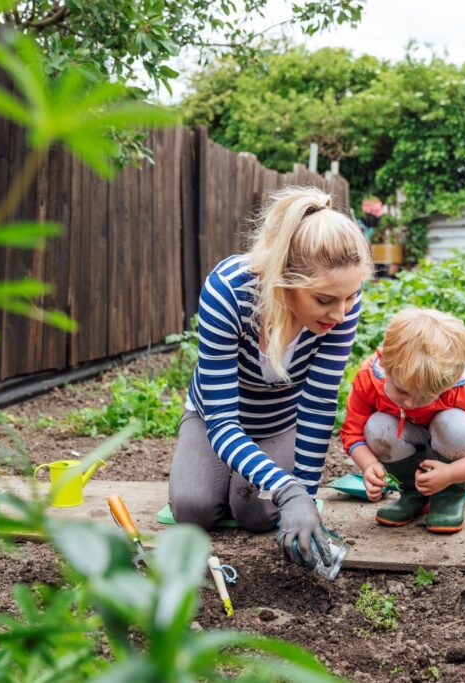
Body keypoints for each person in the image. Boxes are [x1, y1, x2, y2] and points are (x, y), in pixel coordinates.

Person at [169, 186, 372, 569]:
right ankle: (222, 471)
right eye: (325, 300)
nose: (341, 314)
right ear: (284, 280)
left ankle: (247, 479)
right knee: (192, 508)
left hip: (280, 421)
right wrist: (286, 488)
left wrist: (305, 499)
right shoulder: (227, 291)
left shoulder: (342, 302)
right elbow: (224, 423)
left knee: (257, 513)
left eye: (350, 297)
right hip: (217, 417)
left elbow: (316, 406)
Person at [340, 308, 465, 533]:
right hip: (407, 441)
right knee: (377, 426)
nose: (412, 404)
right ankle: (413, 495)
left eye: (427, 397)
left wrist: (451, 475)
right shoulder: (369, 377)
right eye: (403, 391)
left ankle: (448, 496)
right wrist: (369, 465)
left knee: (454, 425)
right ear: (383, 360)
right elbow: (352, 432)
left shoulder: (463, 387)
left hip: (447, 447)